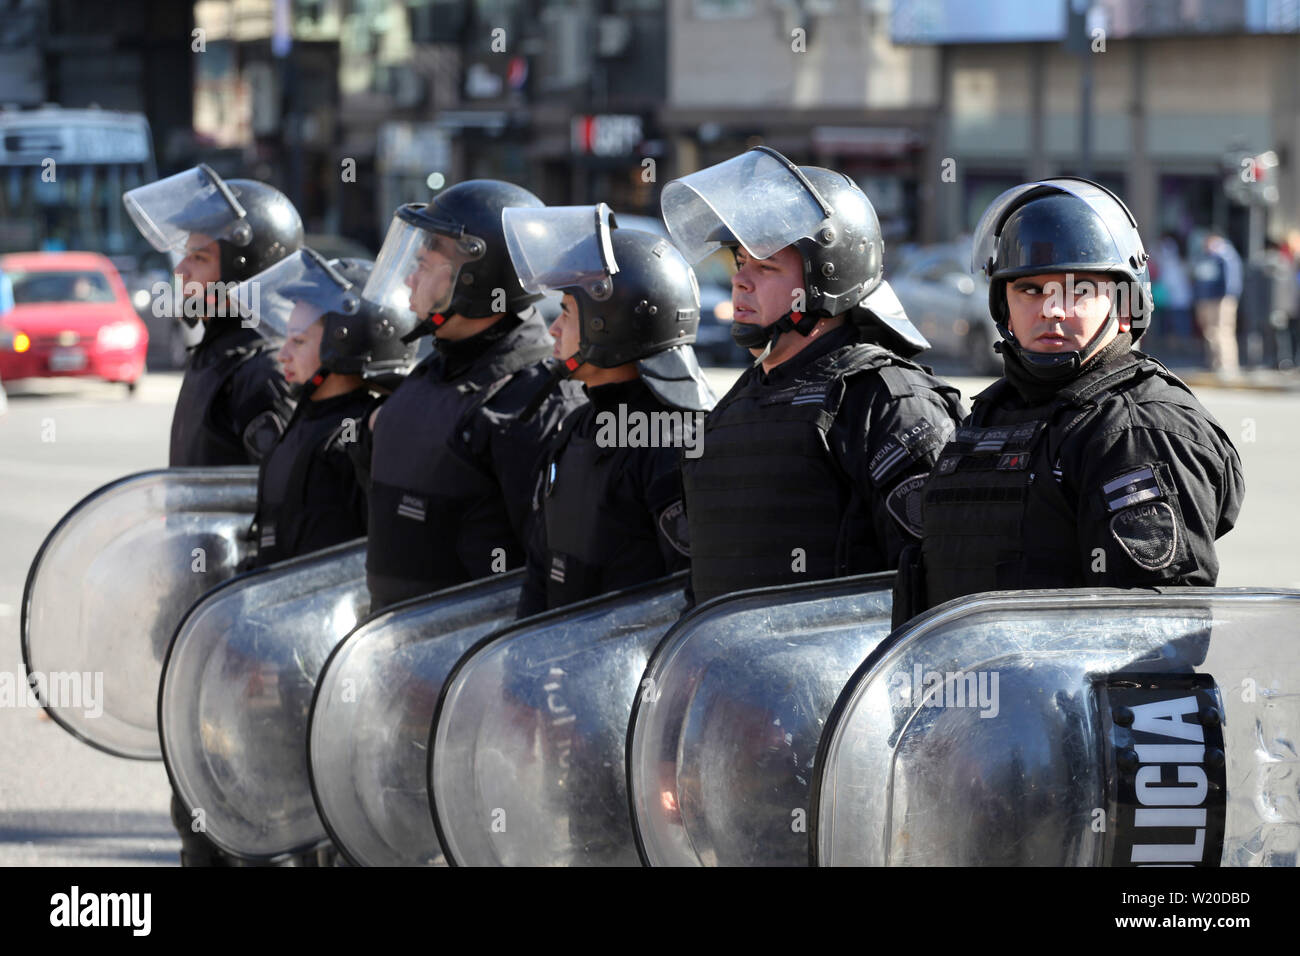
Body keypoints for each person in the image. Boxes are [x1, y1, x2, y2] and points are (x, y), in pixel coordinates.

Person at [894, 177, 1245, 627]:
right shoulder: (992, 413)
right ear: (1003, 305)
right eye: (1030, 290)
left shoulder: (1139, 428)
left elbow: (1155, 642)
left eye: (1076, 290)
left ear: (1124, 303)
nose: (1051, 309)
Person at [659, 147, 965, 606]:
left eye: (765, 266)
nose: (742, 281)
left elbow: (936, 594)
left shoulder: (886, 403)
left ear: (827, 277)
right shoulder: (735, 406)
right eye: (740, 263)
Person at [352, 181, 587, 612]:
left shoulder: (534, 403)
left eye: (423, 264)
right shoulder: (434, 369)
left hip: (472, 667)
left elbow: (552, 584)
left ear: (475, 280)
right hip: (392, 659)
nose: (408, 278)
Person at [502, 204, 717, 617]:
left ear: (609, 323)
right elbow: (539, 573)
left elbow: (689, 604)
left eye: (566, 311)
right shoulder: (578, 425)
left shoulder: (675, 440)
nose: (553, 328)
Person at [238, 252, 417, 569]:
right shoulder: (303, 421)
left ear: (344, 347)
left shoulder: (364, 438)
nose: (282, 355)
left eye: (299, 341)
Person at [123, 164, 302, 466]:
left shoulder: (265, 373)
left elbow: (275, 502)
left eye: (199, 258)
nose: (180, 271)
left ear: (246, 274)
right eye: (185, 256)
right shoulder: (217, 354)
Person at [1191, 229, 1244, 377]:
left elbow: (1231, 280)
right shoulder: (1206, 256)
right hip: (1207, 299)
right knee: (1210, 332)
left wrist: (1225, 296)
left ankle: (1226, 364)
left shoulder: (1226, 255)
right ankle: (1214, 362)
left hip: (1220, 300)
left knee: (1222, 331)